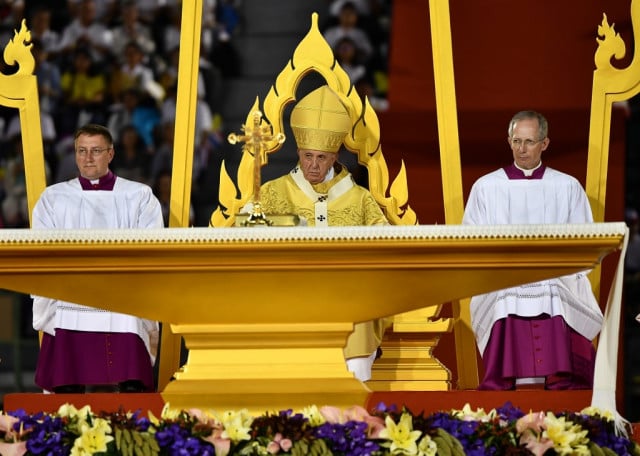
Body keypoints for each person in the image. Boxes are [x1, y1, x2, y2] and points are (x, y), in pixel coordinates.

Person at [249, 85, 389, 381]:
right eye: (307, 156)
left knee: (362, 313)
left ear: (335, 155)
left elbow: (386, 243)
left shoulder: (360, 198)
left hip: (348, 298)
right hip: (290, 292)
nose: (313, 165)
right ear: (298, 151)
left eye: (321, 158)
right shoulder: (273, 192)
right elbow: (243, 234)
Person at [462, 110, 604, 390]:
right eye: (516, 141)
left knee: (552, 290)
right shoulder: (487, 187)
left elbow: (585, 243)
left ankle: (562, 381)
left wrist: (553, 267)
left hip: (556, 275)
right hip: (502, 278)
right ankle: (503, 383)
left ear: (545, 143)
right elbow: (471, 241)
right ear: (508, 141)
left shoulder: (567, 186)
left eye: (529, 142)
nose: (522, 149)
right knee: (507, 292)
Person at [31, 123, 164, 393]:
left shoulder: (138, 195)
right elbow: (41, 247)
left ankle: (132, 406)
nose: (87, 158)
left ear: (111, 154)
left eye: (95, 151)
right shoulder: (54, 197)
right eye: (81, 151)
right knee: (65, 319)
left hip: (123, 292)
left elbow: (152, 246)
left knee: (129, 315)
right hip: (70, 292)